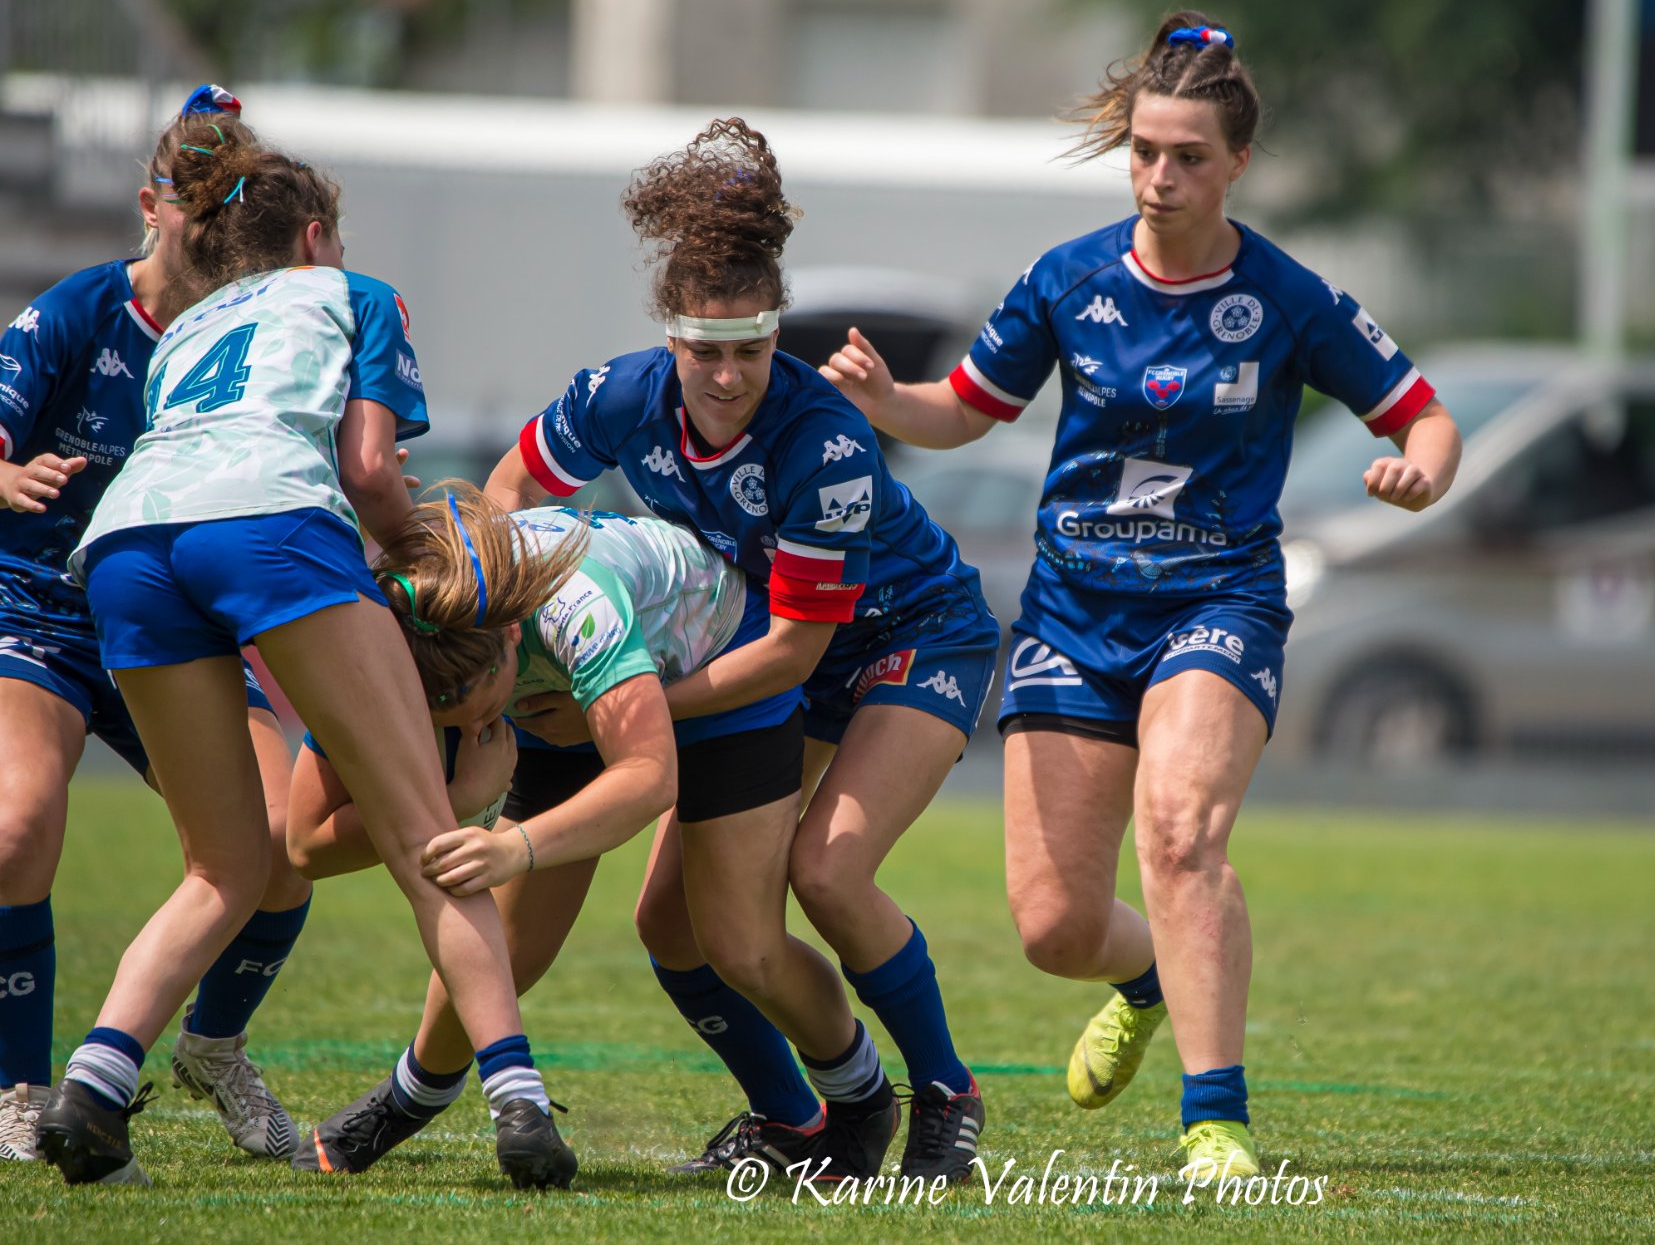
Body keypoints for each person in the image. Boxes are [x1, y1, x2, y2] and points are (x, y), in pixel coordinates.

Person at [821, 12, 1462, 1180]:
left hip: (1216, 600)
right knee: (1052, 926)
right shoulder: (1065, 280)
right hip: (1073, 612)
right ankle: (1149, 975)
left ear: (1236, 167)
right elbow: (964, 409)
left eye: (1188, 158)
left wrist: (1419, 469)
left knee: (1179, 835)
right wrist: (880, 398)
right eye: (1145, 151)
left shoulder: (1284, 295)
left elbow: (1420, 408)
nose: (1160, 178)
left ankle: (1214, 1120)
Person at [35, 127, 574, 1189]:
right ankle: (519, 1106)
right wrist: (428, 554)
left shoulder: (184, 327)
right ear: (315, 234)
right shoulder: (356, 295)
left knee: (221, 866)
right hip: (268, 526)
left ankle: (91, 1091)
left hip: (126, 546)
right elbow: (372, 470)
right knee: (431, 836)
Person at [489, 118, 1001, 1181]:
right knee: (675, 929)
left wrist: (614, 700)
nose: (727, 379)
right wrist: (505, 633)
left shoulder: (826, 443)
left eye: (752, 353)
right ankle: (801, 1119)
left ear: (780, 339)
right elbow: (506, 497)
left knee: (827, 871)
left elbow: (787, 657)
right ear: (668, 340)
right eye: (704, 353)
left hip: (905, 637)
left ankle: (946, 1095)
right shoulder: (619, 393)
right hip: (774, 651)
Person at [285, 491, 827, 1178]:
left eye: (476, 690)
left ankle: (865, 1099)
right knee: (507, 951)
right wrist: (462, 799)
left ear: (510, 633)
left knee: (736, 942)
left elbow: (649, 774)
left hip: (709, 662)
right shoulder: (376, 636)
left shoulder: (577, 602)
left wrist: (512, 844)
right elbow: (306, 843)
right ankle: (413, 1094)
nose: (461, 718)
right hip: (553, 706)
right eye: (436, 708)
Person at [0, 87, 307, 1166]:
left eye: (234, 207)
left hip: (181, 619)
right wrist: (6, 472)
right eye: (198, 208)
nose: (216, 232)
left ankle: (212, 1046)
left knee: (285, 847)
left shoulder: (253, 329)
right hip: (42, 610)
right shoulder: (80, 310)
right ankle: (17, 1089)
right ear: (152, 205)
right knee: (15, 825)